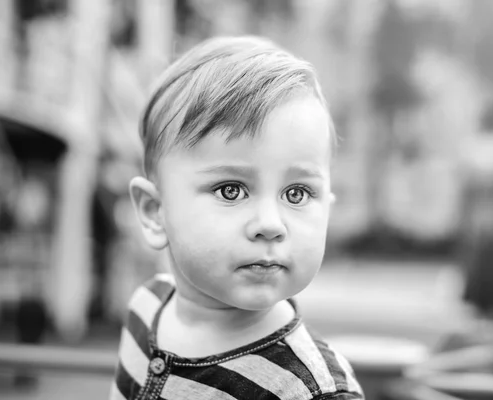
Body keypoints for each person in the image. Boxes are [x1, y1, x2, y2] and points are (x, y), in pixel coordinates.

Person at [109, 36, 364, 400]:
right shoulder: (146, 307)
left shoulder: (310, 390)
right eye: (231, 190)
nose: (270, 225)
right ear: (154, 212)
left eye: (296, 194)